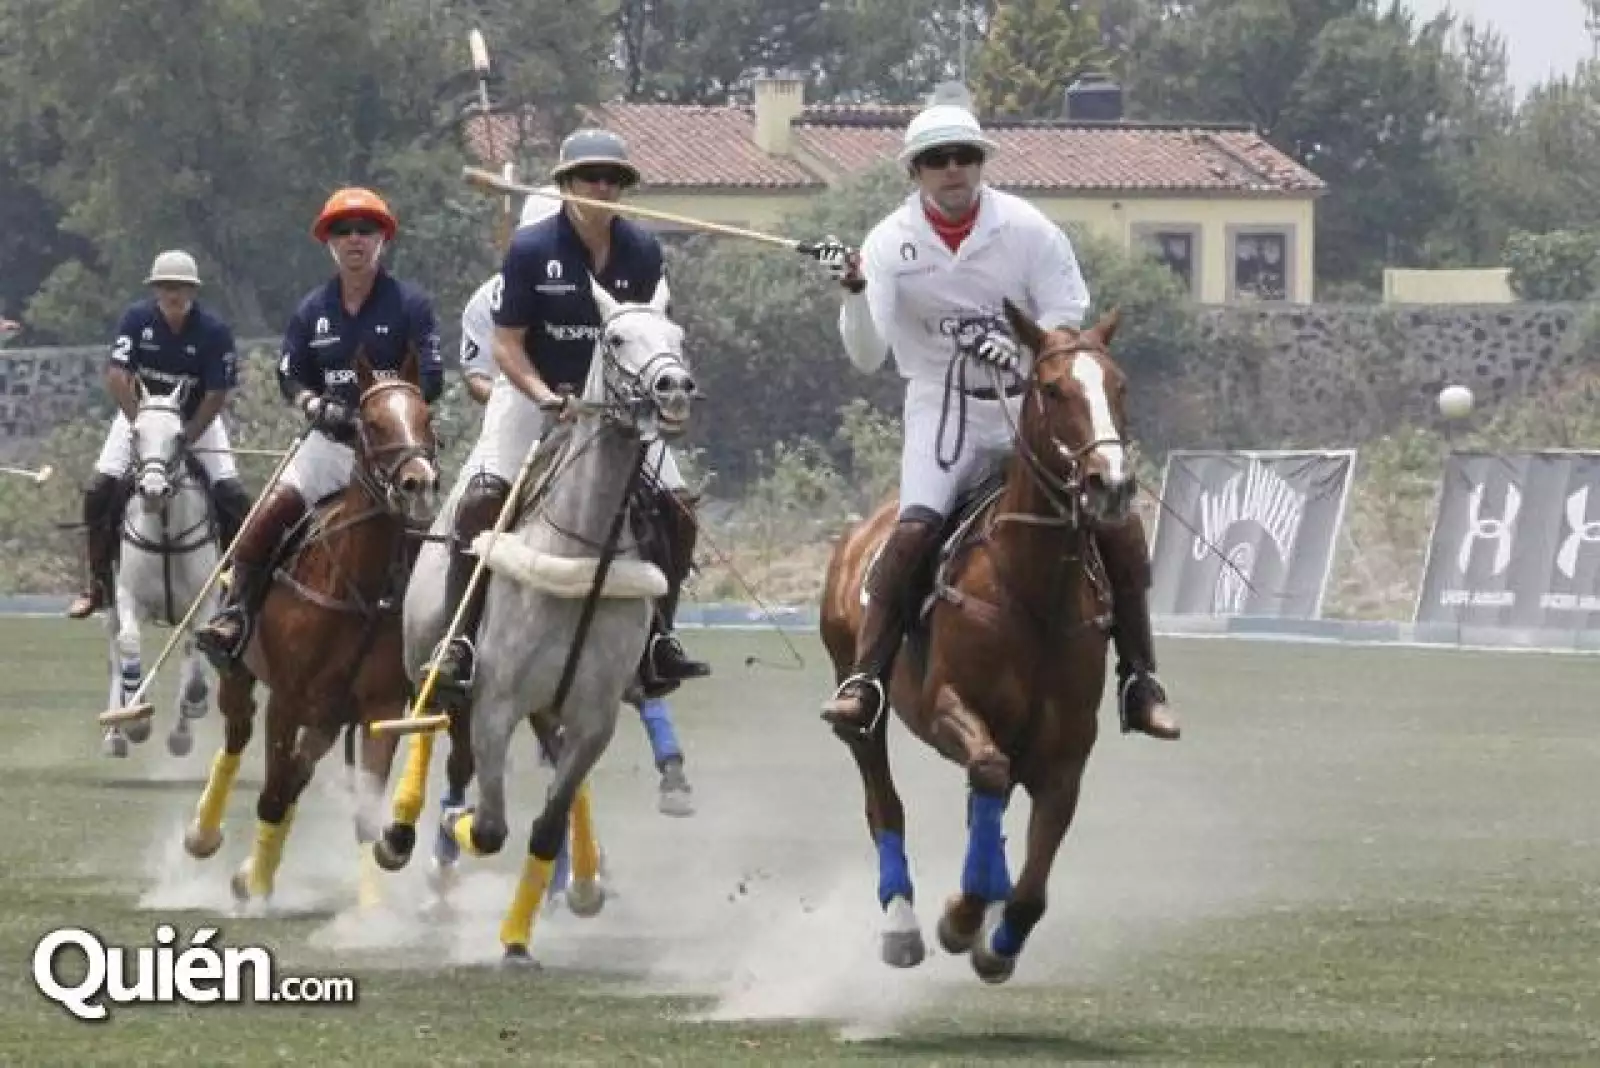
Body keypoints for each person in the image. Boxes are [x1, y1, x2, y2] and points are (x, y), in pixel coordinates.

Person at [808, 101, 1181, 742]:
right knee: (915, 527)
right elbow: (867, 355)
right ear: (915, 172)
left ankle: (1140, 679)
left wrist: (1022, 349)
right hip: (941, 407)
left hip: (1027, 407)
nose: (952, 169)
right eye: (936, 160)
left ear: (980, 163)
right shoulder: (888, 244)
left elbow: (1069, 320)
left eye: (965, 156)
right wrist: (857, 295)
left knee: (1114, 524)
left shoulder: (1026, 229)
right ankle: (866, 680)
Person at [423, 127, 709, 709]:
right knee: (482, 495)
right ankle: (458, 641)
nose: (601, 186)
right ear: (565, 185)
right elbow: (506, 345)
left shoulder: (643, 252)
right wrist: (544, 396)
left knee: (677, 510)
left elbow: (655, 337)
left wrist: (655, 394)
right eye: (589, 177)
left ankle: (659, 638)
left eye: (612, 179)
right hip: (535, 394)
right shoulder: (531, 251)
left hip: (617, 408)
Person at [193, 187, 443, 666]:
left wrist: (382, 404)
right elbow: (290, 372)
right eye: (343, 231)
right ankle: (236, 614)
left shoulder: (410, 304)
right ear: (329, 243)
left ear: (382, 240)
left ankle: (442, 640)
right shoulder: (313, 309)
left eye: (365, 230)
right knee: (266, 516)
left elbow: (429, 377)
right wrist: (312, 404)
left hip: (394, 451)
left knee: (435, 539)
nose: (355, 239)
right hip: (329, 446)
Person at [65, 250, 250, 619]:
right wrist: (142, 425)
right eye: (166, 286)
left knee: (233, 497)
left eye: (180, 287)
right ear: (155, 289)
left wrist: (184, 437)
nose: (173, 294)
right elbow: (117, 375)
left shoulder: (213, 331)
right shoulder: (136, 320)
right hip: (139, 419)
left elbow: (217, 393)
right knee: (100, 488)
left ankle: (236, 586)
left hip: (196, 420)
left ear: (193, 291)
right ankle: (98, 583)